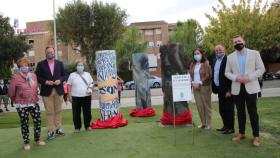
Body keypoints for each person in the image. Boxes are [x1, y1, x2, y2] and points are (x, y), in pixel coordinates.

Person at [225, 35, 265, 147]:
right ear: (233, 45)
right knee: (240, 112)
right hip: (237, 88)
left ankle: (256, 136)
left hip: (251, 86)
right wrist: (237, 78)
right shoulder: (230, 57)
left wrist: (249, 77)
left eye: (239, 41)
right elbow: (227, 72)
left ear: (244, 41)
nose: (237, 43)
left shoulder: (255, 53)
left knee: (253, 112)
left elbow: (261, 69)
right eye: (235, 42)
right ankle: (241, 133)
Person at [8, 57, 45, 150]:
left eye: (26, 65)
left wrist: (36, 92)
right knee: (24, 123)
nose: (24, 67)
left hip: (33, 102)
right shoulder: (15, 77)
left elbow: (36, 87)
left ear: (29, 67)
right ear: (19, 67)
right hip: (21, 104)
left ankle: (37, 139)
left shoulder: (33, 76)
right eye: (22, 66)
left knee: (37, 121)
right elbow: (11, 92)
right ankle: (26, 142)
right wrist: (15, 99)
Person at [35, 46, 67, 140]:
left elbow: (64, 75)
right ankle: (50, 131)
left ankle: (58, 129)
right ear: (45, 53)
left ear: (54, 52)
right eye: (48, 52)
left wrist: (60, 80)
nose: (50, 53)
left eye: (52, 52)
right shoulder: (40, 64)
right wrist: (45, 81)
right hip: (46, 91)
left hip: (58, 90)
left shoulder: (59, 63)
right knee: (49, 112)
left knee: (58, 111)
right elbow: (37, 77)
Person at [212, 44, 234, 134]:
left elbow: (231, 76)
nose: (218, 52)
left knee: (229, 109)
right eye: (216, 50)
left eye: (220, 50)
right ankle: (225, 126)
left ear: (224, 49)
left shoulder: (229, 60)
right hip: (219, 88)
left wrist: (229, 90)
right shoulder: (214, 60)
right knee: (222, 109)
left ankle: (231, 128)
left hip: (227, 90)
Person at [67, 60, 93, 132]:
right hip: (75, 97)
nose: (80, 67)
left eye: (81, 65)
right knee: (76, 113)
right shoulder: (72, 75)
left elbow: (92, 83)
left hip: (86, 96)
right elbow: (69, 85)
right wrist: (69, 95)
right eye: (78, 65)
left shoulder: (87, 74)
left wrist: (90, 89)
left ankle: (87, 126)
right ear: (76, 67)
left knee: (87, 112)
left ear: (83, 67)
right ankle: (77, 127)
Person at [189, 48, 212, 129]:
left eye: (198, 53)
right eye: (195, 54)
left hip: (205, 86)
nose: (196, 55)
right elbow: (190, 75)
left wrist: (200, 82)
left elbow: (208, 75)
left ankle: (209, 123)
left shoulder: (206, 63)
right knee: (199, 106)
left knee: (206, 105)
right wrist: (193, 83)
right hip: (195, 87)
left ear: (201, 54)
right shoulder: (192, 64)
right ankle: (203, 123)